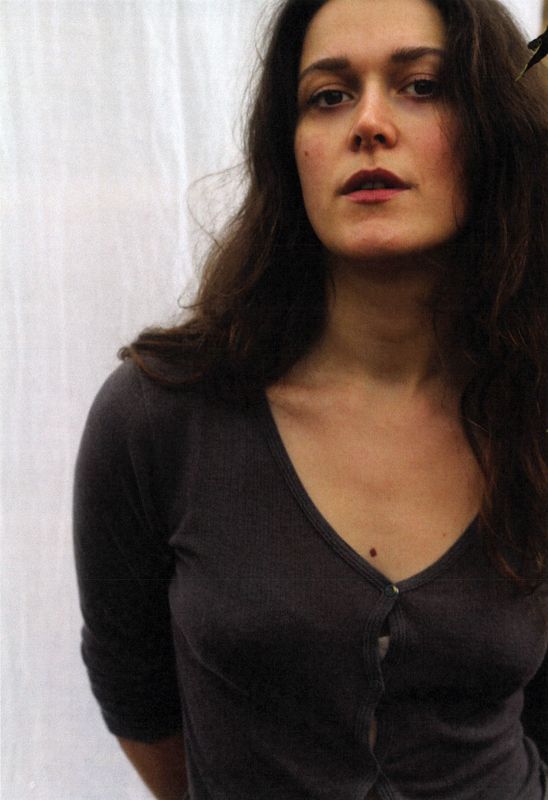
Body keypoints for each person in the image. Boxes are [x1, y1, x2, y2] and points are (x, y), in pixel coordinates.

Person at [73, 0, 548, 798]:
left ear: (492, 127)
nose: (369, 124)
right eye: (329, 96)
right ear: (288, 149)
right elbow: (138, 696)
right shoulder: (158, 417)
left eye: (421, 86)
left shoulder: (531, 407)